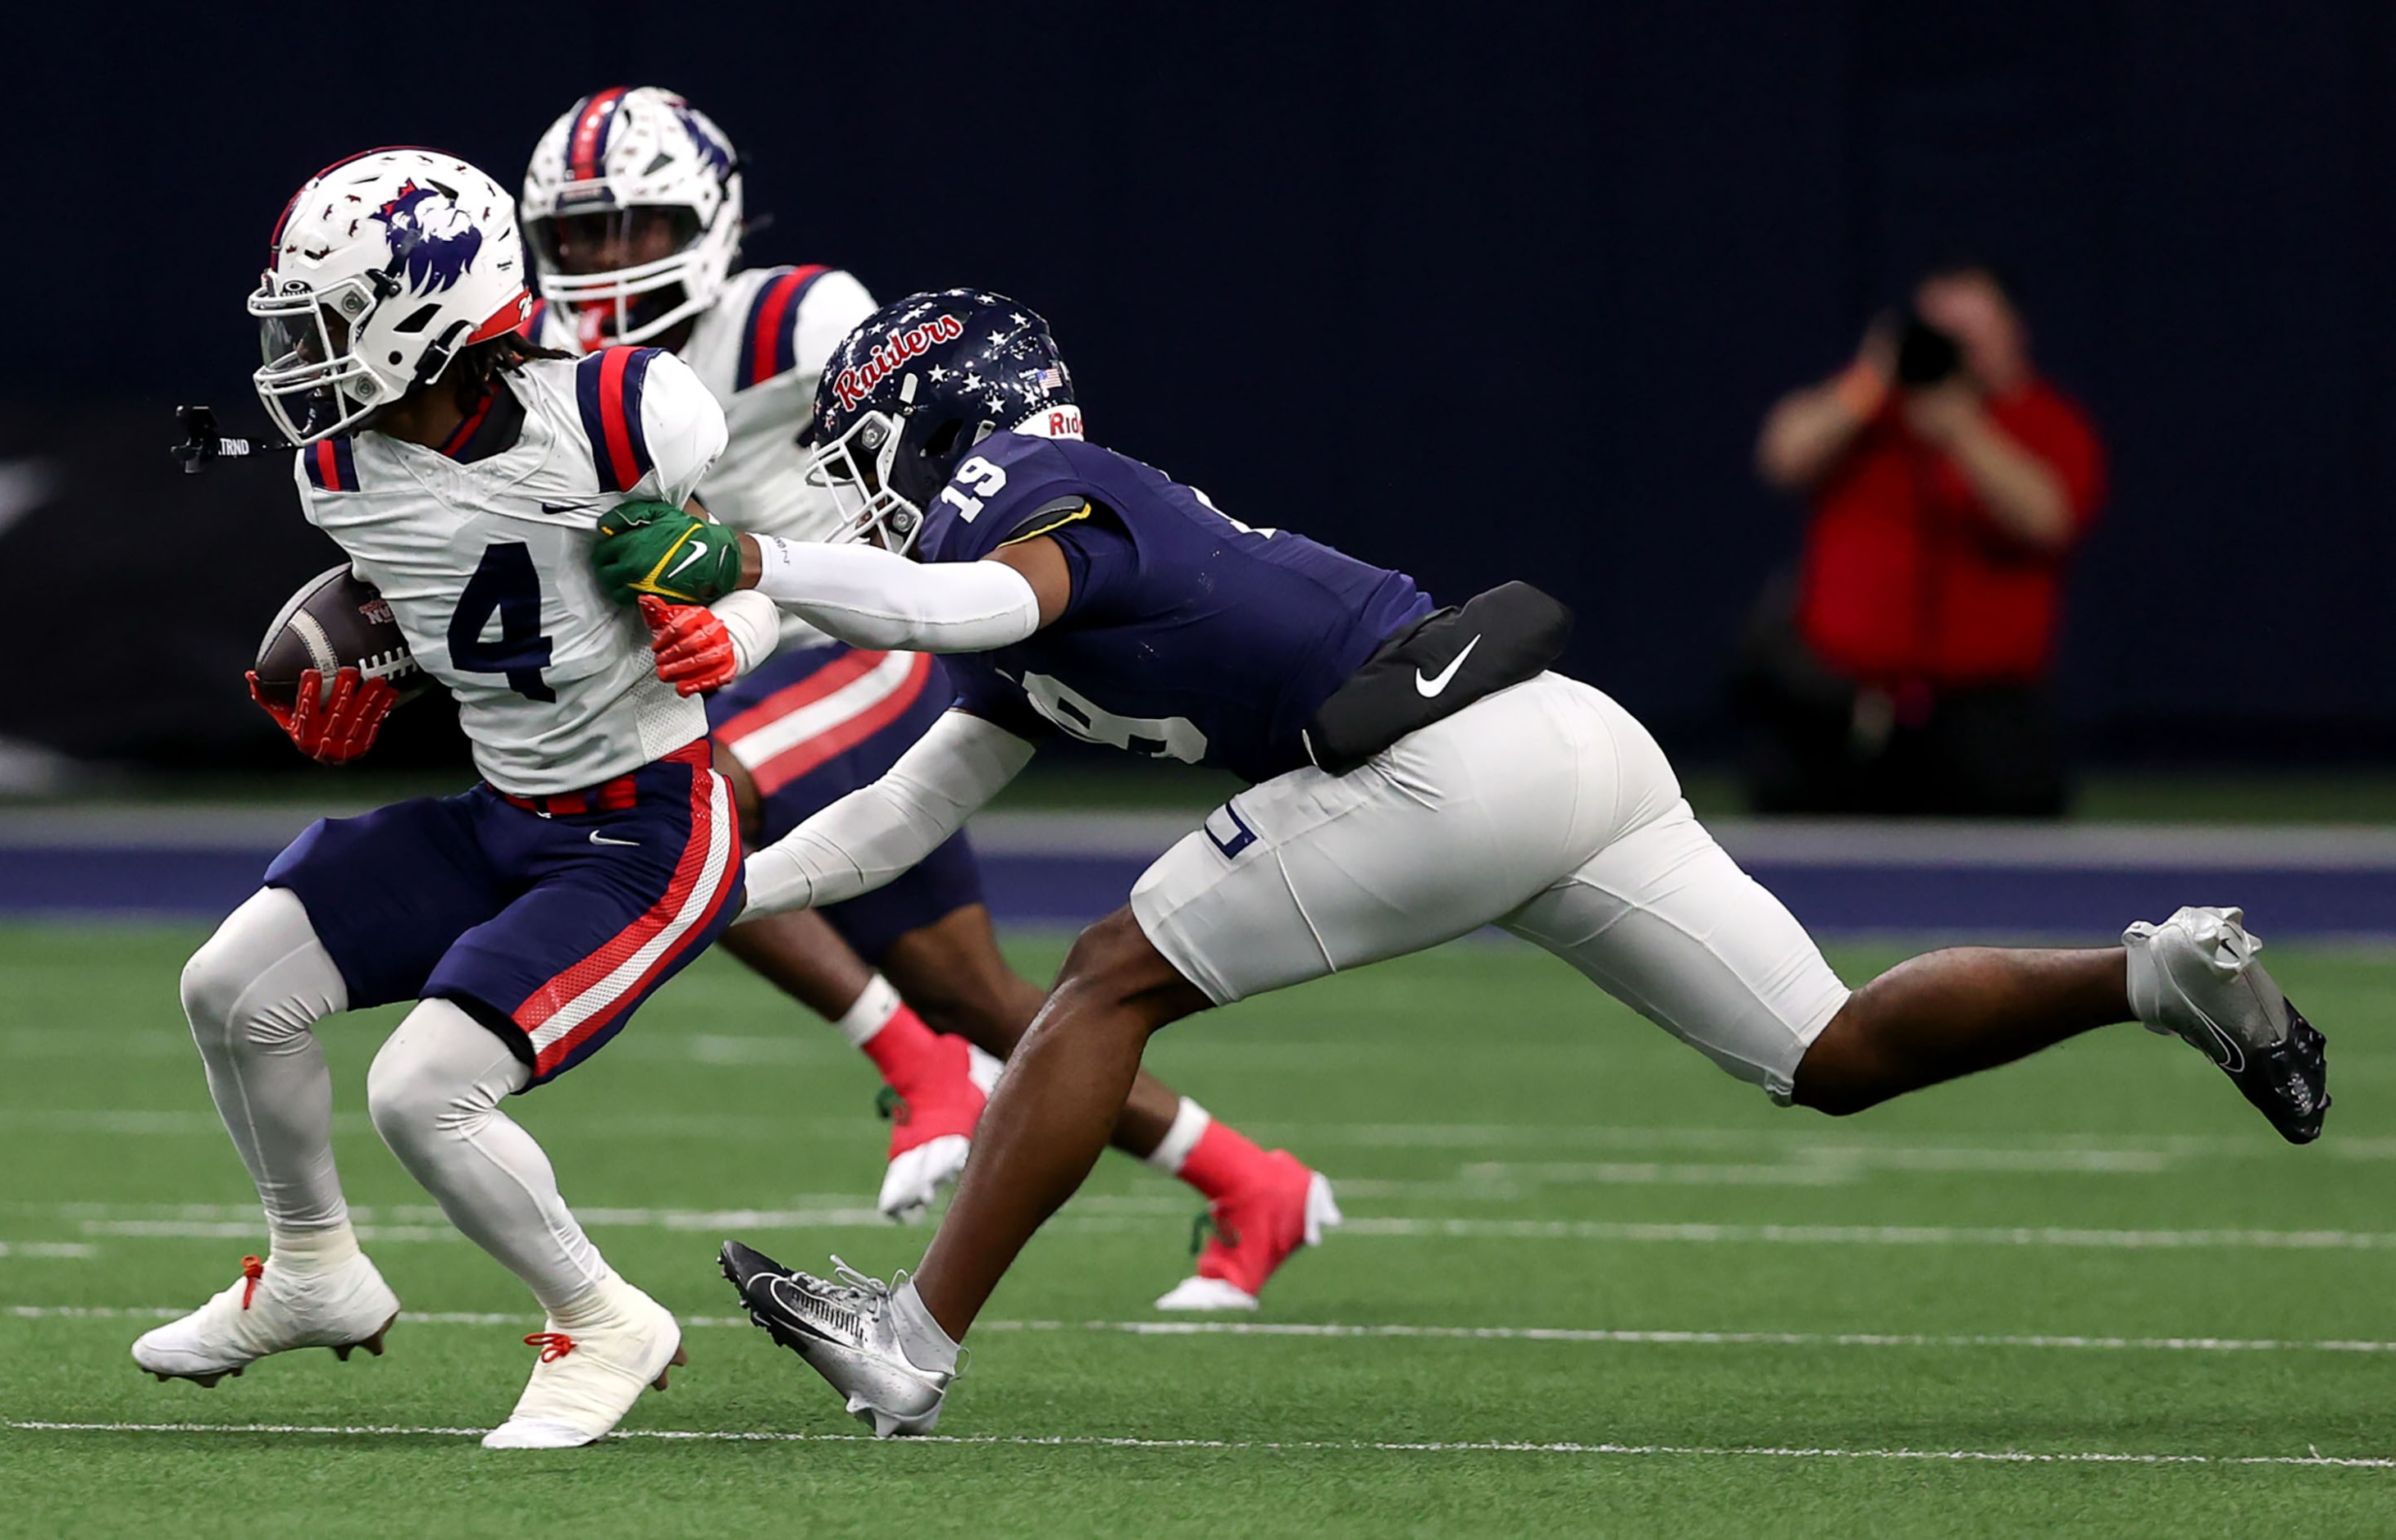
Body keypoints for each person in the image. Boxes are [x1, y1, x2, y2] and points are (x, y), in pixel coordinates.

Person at [590, 289, 2327, 1437]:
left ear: (931, 414)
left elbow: (956, 601)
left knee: (1110, 976)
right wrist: (712, 903)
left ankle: (913, 1342)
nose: (845, 482)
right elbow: (907, 810)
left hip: (1446, 759)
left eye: (855, 445)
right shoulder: (1005, 596)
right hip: (1561, 743)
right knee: (1827, 1052)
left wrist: (753, 561)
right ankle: (2155, 973)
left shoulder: (1028, 493)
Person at [517, 87, 1336, 1308]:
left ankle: (916, 1064)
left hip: (870, 643)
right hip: (751, 660)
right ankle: (1250, 1181)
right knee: (980, 990)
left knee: (669, 811)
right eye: (584, 233)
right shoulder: (550, 360)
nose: (609, 256)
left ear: (711, 216)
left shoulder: (802, 315)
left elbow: (923, 455)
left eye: (637, 224)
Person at [130, 148, 777, 1448]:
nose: (300, 352)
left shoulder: (620, 410)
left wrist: (736, 630)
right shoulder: (341, 471)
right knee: (232, 987)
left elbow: (745, 567)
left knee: (424, 1088)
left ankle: (602, 1317)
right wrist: (375, 670)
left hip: (647, 824)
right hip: (506, 811)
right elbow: (475, 613)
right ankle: (313, 1267)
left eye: (328, 320)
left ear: (426, 311)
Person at [1746, 259, 2106, 815]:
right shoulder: (1866, 412)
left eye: (1970, 333)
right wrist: (1869, 379)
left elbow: (2047, 519)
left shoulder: (2045, 421)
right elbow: (1783, 455)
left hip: (1984, 721)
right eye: (1939, 332)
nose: (1954, 348)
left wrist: (1962, 428)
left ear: (2013, 331)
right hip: (1843, 713)